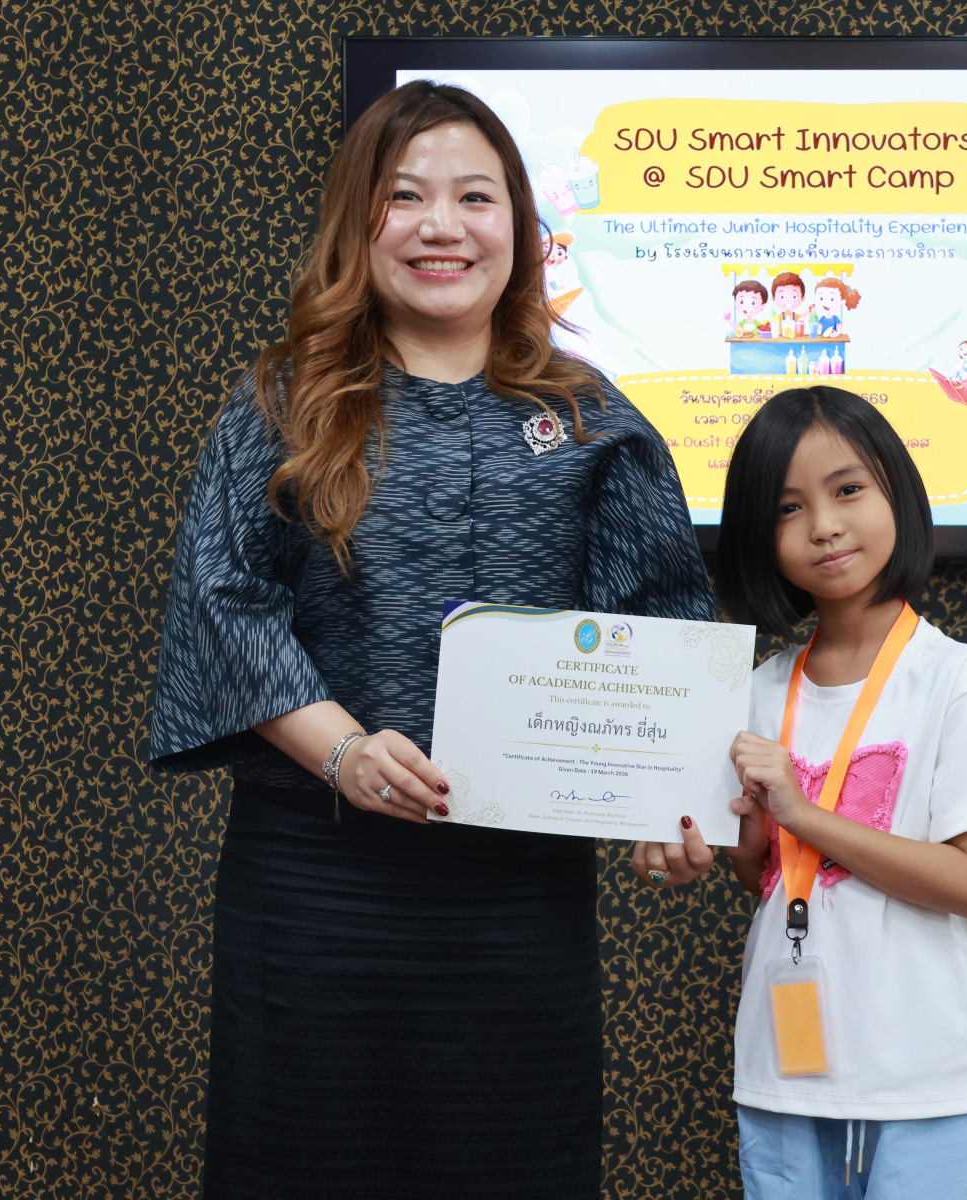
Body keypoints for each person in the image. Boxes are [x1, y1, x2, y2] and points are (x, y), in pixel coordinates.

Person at [146, 81, 713, 1200]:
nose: (441, 225)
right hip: (315, 888)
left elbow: (661, 633)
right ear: (357, 223)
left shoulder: (592, 418)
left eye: (474, 197)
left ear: (522, 228)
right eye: (404, 196)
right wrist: (346, 754)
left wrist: (670, 802)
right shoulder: (283, 402)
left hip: (515, 905)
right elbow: (225, 606)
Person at [701, 385, 967, 1199]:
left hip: (928, 1088)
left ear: (899, 491)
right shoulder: (758, 690)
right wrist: (740, 846)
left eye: (848, 489)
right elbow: (768, 875)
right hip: (786, 1082)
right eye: (788, 508)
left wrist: (803, 813)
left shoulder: (957, 681)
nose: (823, 525)